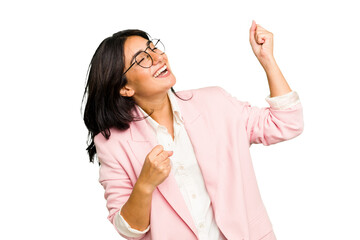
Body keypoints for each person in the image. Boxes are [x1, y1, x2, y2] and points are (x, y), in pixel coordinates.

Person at [81, 20, 304, 240]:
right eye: (142, 59)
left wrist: (268, 60)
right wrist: (145, 184)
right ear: (125, 87)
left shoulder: (215, 102)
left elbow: (286, 123)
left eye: (153, 48)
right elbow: (129, 230)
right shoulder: (112, 143)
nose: (158, 57)